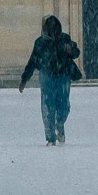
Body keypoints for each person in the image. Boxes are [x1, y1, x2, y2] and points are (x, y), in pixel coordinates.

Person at [18, 15, 80, 145]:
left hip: (63, 76)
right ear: (44, 28)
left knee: (64, 106)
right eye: (49, 27)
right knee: (48, 107)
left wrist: (71, 49)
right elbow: (33, 62)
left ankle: (60, 126)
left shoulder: (64, 38)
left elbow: (76, 52)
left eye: (54, 26)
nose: (52, 29)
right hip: (47, 77)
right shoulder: (40, 42)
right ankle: (50, 138)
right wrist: (24, 79)